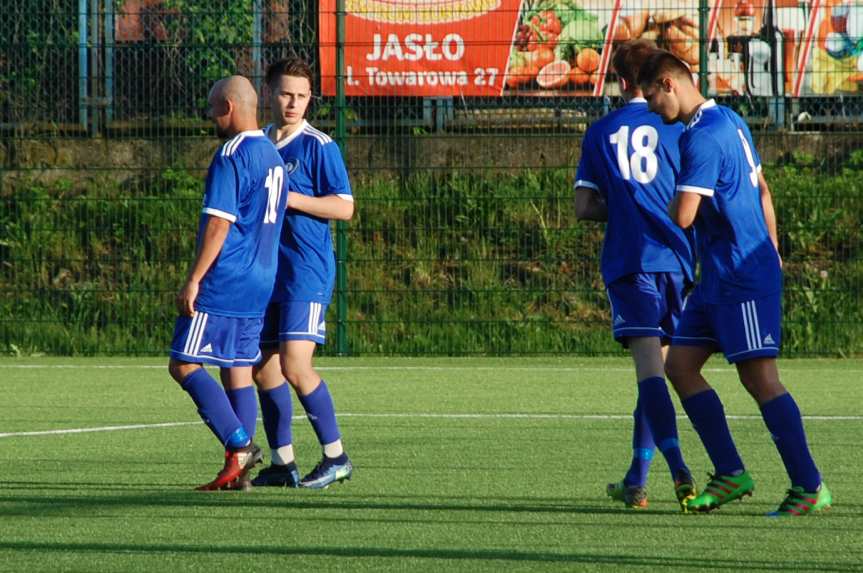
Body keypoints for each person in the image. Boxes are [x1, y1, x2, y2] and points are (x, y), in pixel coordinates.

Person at [638, 50, 832, 516]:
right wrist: (774, 247)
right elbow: (762, 189)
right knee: (680, 366)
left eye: (650, 97)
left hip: (742, 274)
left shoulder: (701, 138)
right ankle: (729, 473)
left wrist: (647, 211)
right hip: (721, 277)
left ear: (669, 84)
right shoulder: (728, 118)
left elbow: (684, 215)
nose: (649, 108)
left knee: (760, 379)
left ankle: (809, 486)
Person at [574, 40, 697, 511]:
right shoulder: (677, 125)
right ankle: (636, 478)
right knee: (660, 373)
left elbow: (584, 207)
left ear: (621, 82)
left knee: (650, 373)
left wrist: (624, 205)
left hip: (630, 262)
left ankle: (678, 466)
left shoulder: (601, 131)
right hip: (677, 261)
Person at [168, 75, 288, 491]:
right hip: (260, 280)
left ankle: (239, 445)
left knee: (183, 363)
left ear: (228, 107)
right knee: (237, 370)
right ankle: (241, 474)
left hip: (226, 278)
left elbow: (220, 222)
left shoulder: (231, 153)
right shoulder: (272, 155)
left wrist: (194, 279)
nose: (209, 116)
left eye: (212, 107)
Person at [250, 57, 355, 489]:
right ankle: (283, 463)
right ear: (268, 93)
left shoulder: (319, 145)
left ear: (311, 99)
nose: (293, 103)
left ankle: (337, 456)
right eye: (285, 94)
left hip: (305, 273)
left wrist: (292, 198)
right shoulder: (256, 145)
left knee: (295, 364)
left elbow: (345, 206)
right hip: (265, 273)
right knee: (263, 368)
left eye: (302, 96)